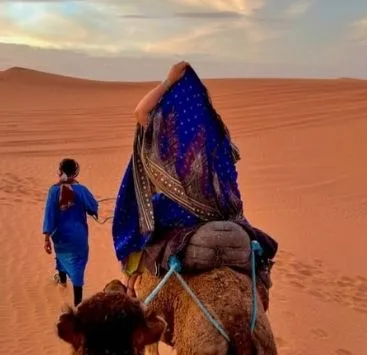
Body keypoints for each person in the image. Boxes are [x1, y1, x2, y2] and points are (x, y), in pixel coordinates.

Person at [112, 61, 250, 297]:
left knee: (141, 216)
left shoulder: (172, 141)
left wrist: (169, 80)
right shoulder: (216, 135)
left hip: (183, 214)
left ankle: (131, 281)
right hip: (225, 211)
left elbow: (141, 112)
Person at [42, 158, 99, 306]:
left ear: (60, 171)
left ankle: (62, 282)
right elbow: (93, 207)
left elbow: (49, 214)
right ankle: (77, 304)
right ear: (75, 172)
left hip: (60, 236)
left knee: (61, 257)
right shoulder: (81, 190)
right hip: (78, 236)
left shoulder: (53, 190)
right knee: (78, 267)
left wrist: (47, 238)